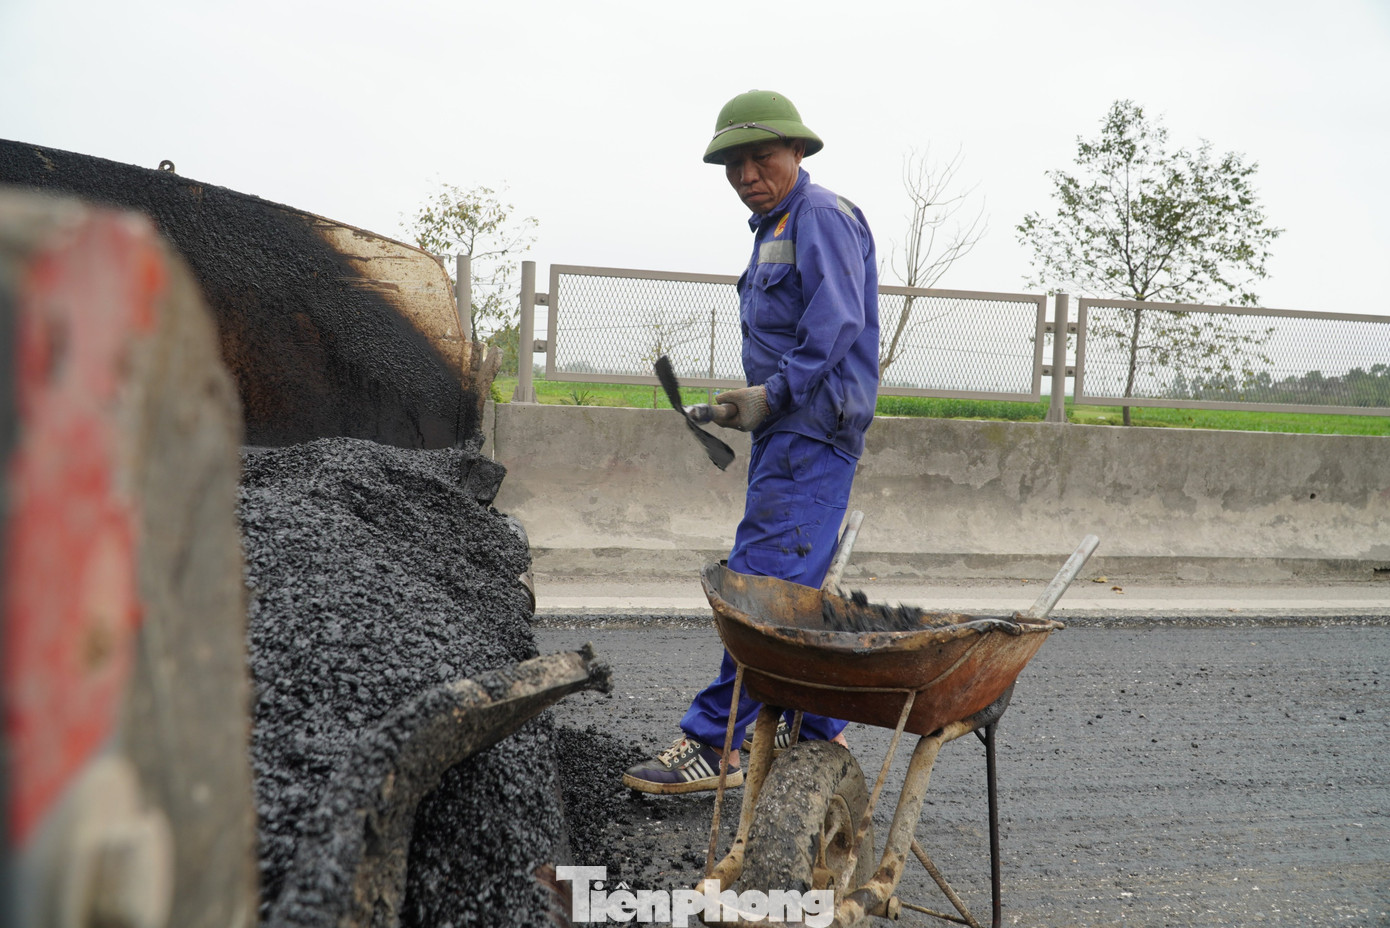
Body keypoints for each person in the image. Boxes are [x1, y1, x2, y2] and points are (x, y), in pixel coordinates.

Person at [623, 90, 880, 794]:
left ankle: (718, 742)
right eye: (732, 162)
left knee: (759, 590)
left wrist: (775, 396)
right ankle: (814, 724)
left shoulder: (820, 215)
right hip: (790, 425)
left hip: (811, 427)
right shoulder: (773, 226)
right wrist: (747, 405)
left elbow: (835, 324)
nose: (745, 172)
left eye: (760, 156)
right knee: (788, 588)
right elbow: (794, 334)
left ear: (798, 151)